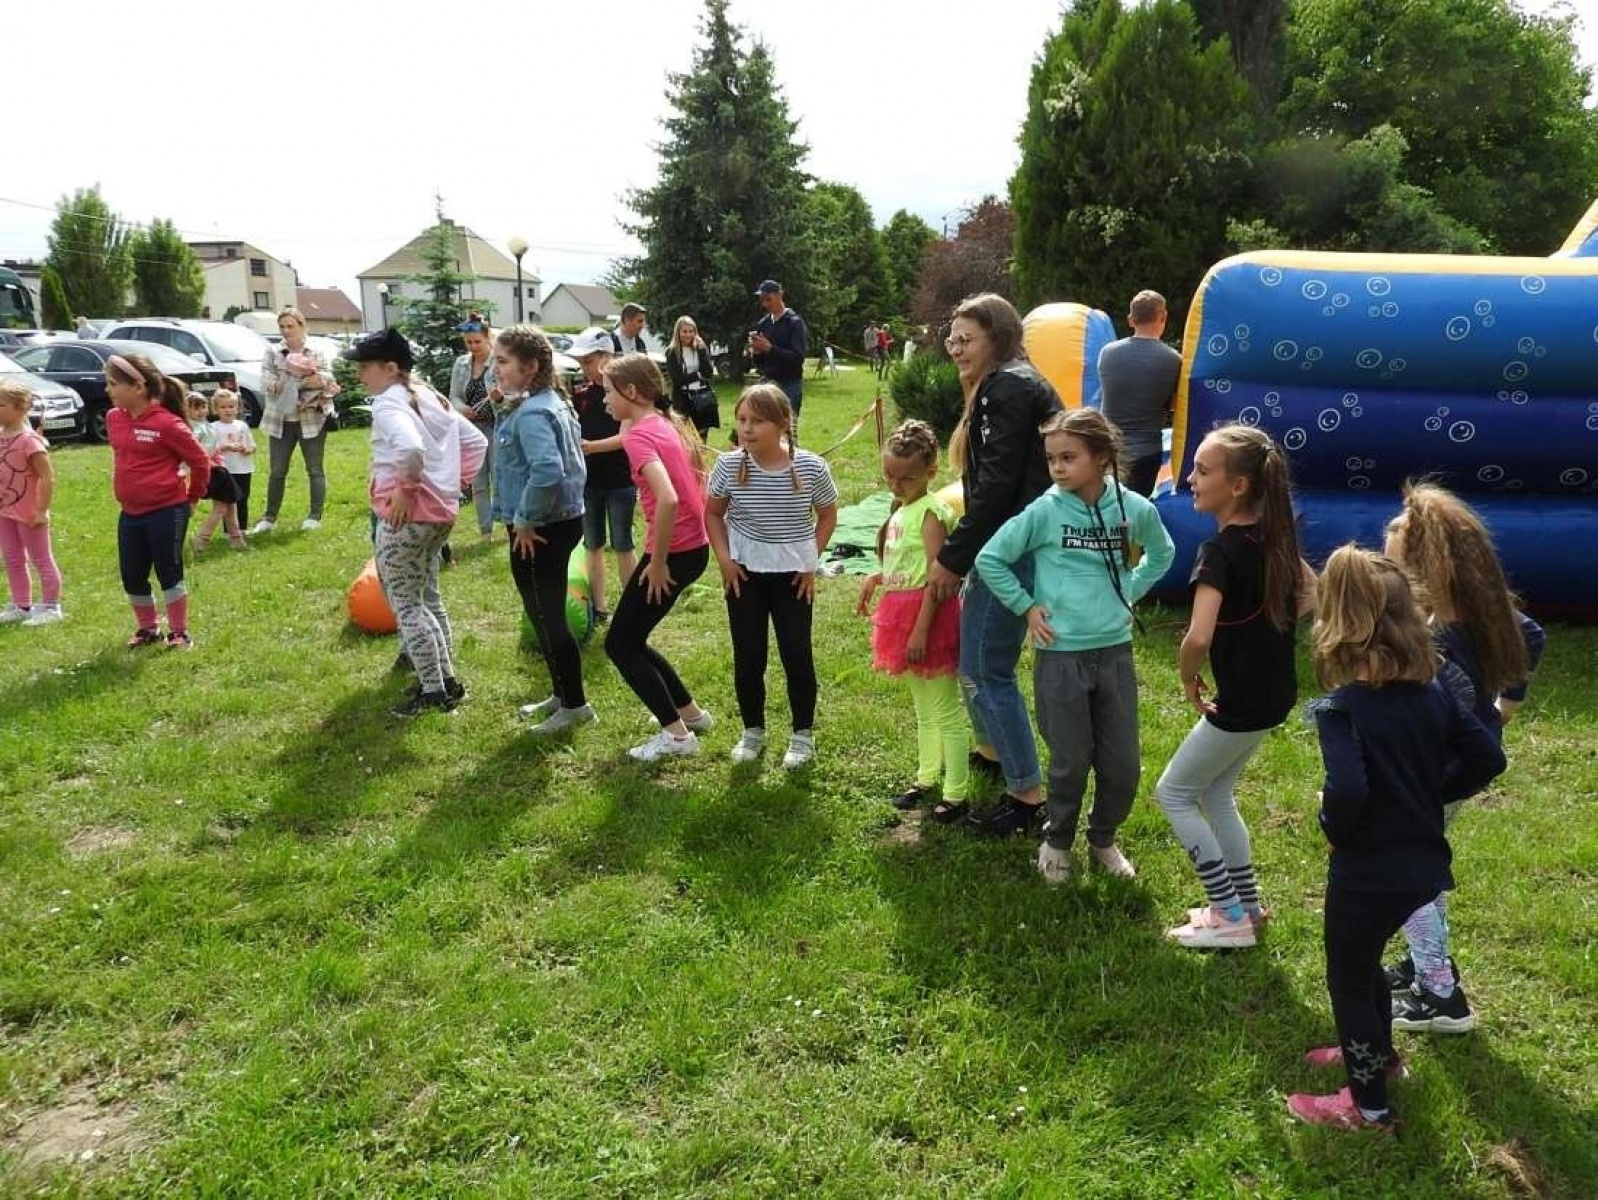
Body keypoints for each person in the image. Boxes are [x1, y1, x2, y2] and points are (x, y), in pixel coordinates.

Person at [1287, 546, 1505, 1131]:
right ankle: (1380, 1058)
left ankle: (1367, 1106)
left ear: (1335, 620)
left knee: (1350, 976)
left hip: (1367, 870)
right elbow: (1488, 756)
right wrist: (1429, 795)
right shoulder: (1432, 691)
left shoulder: (1342, 708)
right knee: (1368, 962)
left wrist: (1335, 829)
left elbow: (1349, 788)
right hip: (1423, 863)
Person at [975, 409, 1174, 879]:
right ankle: (1057, 840)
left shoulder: (1134, 510)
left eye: (1069, 457)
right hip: (1060, 655)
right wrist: (1027, 606)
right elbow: (992, 558)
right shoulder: (1045, 511)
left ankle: (1103, 839)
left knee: (1122, 764)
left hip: (1115, 652)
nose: (1058, 467)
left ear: (1101, 458)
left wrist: (1130, 592)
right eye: (1051, 459)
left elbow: (1163, 552)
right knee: (1069, 761)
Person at [1381, 482, 1545, 1033]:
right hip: (1453, 771)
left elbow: (1422, 727)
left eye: (1397, 571)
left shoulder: (1442, 647)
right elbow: (1530, 636)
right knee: (1421, 872)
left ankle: (1441, 995)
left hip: (1434, 777)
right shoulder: (1477, 620)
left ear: (1430, 572)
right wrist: (1505, 707)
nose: (1390, 581)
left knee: (1408, 878)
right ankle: (1421, 965)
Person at [1156, 424, 1316, 947]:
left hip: (1243, 702)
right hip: (1273, 696)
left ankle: (1228, 916)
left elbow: (1198, 635)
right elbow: (1314, 596)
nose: (1191, 479)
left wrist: (1187, 676)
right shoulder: (1276, 538)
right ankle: (1246, 906)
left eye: (1203, 470)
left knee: (1174, 794)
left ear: (1239, 485)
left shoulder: (1219, 553)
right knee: (1217, 791)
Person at [925, 293, 1061, 833]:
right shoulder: (1007, 383)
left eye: (966, 339)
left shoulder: (1007, 387)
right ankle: (994, 752)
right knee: (979, 661)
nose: (955, 348)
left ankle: (1027, 797)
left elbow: (999, 485)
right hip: (1011, 540)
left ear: (998, 338)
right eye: (951, 338)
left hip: (1012, 546)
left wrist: (954, 558)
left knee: (986, 668)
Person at [349, 329, 487, 716]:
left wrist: (407, 491)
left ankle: (433, 694)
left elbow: (410, 448)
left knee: (407, 605)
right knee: (426, 597)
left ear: (390, 368)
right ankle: (448, 682)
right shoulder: (431, 396)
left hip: (407, 518)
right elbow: (476, 443)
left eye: (365, 367)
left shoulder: (390, 404)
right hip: (439, 515)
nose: (360, 375)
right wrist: (451, 486)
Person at [706, 384, 838, 769]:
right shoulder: (729, 466)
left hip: (793, 577)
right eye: (742, 420)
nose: (746, 429)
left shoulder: (811, 467)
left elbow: (827, 515)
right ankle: (753, 731)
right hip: (743, 573)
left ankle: (802, 735)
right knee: (749, 655)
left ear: (783, 424)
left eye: (757, 421)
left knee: (797, 655)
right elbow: (713, 512)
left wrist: (809, 560)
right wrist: (725, 559)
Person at [600, 353, 714, 762]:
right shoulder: (663, 423)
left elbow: (667, 498)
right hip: (693, 547)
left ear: (631, 392)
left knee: (619, 645)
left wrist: (660, 563)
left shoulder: (640, 436)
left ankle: (678, 738)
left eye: (608, 391)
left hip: (674, 552)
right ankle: (691, 715)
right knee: (632, 638)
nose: (604, 400)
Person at [856, 419, 969, 813]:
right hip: (902, 613)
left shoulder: (931, 513)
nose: (895, 483)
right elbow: (908, 563)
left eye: (906, 478)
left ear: (930, 473)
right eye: (889, 474)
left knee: (944, 707)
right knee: (924, 707)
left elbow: (936, 579)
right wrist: (877, 577)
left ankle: (955, 792)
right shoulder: (903, 508)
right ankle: (925, 777)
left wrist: (922, 631)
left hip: (928, 618)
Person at [492, 325, 593, 736]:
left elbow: (548, 470)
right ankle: (561, 693)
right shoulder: (550, 401)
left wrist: (525, 519)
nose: (495, 370)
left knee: (547, 617)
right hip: (562, 520)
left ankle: (574, 704)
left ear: (530, 366)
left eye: (502, 362)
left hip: (540, 527)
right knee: (543, 612)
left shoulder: (534, 411)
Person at [103, 352, 212, 649]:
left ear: (138, 388)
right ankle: (148, 629)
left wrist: (192, 497)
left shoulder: (167, 424)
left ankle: (179, 632)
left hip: (167, 510)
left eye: (113, 383)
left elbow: (201, 461)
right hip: (131, 513)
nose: (108, 390)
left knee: (168, 569)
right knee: (132, 573)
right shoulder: (114, 419)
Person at [566, 328, 636, 625]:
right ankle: (599, 606)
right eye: (581, 363)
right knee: (592, 543)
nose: (585, 368)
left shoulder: (626, 391)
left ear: (607, 356)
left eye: (590, 361)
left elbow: (626, 437)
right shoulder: (579, 393)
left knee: (623, 544)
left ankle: (633, 607)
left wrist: (590, 447)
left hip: (620, 481)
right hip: (589, 482)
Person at [254, 307, 336, 533]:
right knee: (277, 471)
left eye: (291, 326)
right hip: (280, 420)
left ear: (303, 327)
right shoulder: (273, 352)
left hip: (311, 420)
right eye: (282, 327)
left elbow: (327, 380)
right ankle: (269, 518)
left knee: (315, 469)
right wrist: (292, 383)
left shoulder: (315, 352)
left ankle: (314, 516)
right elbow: (266, 383)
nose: (286, 330)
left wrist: (301, 383)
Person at [1097, 289, 1181, 497]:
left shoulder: (1107, 353)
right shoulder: (1173, 360)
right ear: (1163, 317)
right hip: (1147, 451)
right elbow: (1174, 405)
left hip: (1108, 447)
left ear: (1130, 319)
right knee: (1134, 515)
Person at [0, 379, 63, 625]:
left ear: (20, 407)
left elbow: (47, 477)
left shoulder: (30, 441)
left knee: (41, 558)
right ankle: (21, 604)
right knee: (12, 558)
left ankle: (50, 607)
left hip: (29, 512)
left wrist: (42, 510)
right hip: (5, 510)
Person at [448, 312, 500, 539]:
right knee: (478, 483)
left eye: (477, 342)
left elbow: (512, 394)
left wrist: (499, 396)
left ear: (487, 339)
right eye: (468, 342)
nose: (473, 346)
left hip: (497, 426)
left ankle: (505, 523)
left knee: (499, 477)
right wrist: (461, 409)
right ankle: (485, 530)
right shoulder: (461, 364)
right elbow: (454, 396)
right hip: (472, 429)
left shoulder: (499, 362)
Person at [186, 392, 245, 552]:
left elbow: (212, 445)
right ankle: (201, 538)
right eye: (196, 408)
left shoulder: (204, 424)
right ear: (186, 410)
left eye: (204, 407)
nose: (201, 411)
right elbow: (198, 451)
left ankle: (236, 539)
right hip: (211, 470)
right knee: (222, 507)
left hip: (219, 468)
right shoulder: (194, 428)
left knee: (230, 503)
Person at [748, 280, 808, 436]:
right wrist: (756, 352)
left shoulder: (794, 323)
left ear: (780, 295)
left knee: (787, 432)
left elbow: (798, 358)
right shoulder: (763, 324)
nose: (765, 304)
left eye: (768, 299)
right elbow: (760, 364)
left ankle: (791, 459)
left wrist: (770, 349)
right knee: (766, 429)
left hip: (789, 384)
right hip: (769, 384)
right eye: (762, 300)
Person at [207, 390, 256, 531]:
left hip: (243, 468)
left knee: (242, 499)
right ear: (216, 409)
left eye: (231, 406)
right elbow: (210, 450)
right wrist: (225, 447)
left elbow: (252, 445)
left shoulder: (242, 425)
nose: (227, 410)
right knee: (226, 501)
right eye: (223, 407)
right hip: (224, 470)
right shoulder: (213, 427)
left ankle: (243, 529)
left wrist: (246, 449)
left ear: (237, 408)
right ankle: (229, 530)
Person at [663, 315, 719, 437]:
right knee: (681, 434)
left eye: (691, 331)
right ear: (678, 332)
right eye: (684, 331)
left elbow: (708, 372)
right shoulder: (672, 352)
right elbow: (677, 380)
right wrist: (698, 374)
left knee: (702, 434)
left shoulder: (700, 348)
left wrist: (702, 350)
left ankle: (701, 456)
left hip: (701, 395)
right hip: (682, 398)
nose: (688, 335)